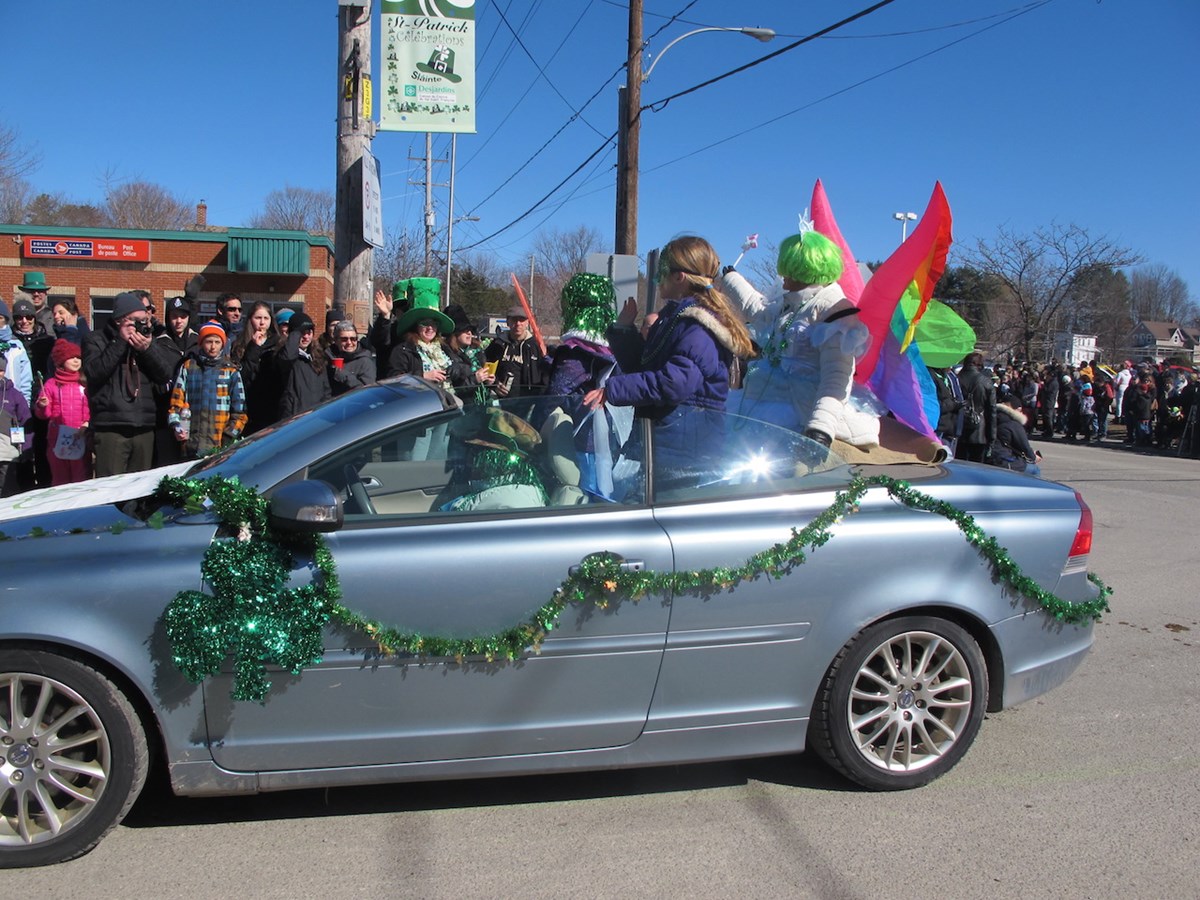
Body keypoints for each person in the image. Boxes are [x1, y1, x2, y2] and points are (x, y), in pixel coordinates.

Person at [585, 235, 753, 470]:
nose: (656, 278)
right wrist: (623, 330)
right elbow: (644, 367)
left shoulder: (698, 327)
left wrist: (612, 390)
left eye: (662, 270)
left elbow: (674, 383)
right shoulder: (673, 320)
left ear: (679, 276)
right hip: (664, 445)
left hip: (685, 458)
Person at [547, 273, 632, 500]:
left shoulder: (575, 352)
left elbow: (555, 394)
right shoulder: (617, 347)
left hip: (586, 441)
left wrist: (532, 429)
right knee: (608, 496)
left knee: (591, 499)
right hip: (616, 438)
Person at [82, 291, 180, 477]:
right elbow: (94, 373)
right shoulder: (96, 339)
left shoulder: (146, 342)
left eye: (144, 320)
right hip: (111, 426)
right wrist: (120, 341)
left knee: (139, 488)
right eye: (136, 320)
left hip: (144, 425)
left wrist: (147, 350)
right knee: (110, 487)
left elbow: (165, 375)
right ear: (120, 320)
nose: (142, 325)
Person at [168, 322, 248, 459]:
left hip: (219, 444)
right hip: (191, 443)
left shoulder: (231, 371)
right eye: (209, 341)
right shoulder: (189, 367)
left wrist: (229, 436)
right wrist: (176, 425)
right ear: (201, 343)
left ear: (223, 344)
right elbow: (176, 403)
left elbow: (240, 412)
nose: (213, 346)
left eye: (217, 342)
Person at [34, 340, 91, 485]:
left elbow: (90, 407)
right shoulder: (51, 384)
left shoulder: (84, 382)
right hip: (57, 437)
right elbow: (44, 415)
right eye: (71, 357)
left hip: (80, 435)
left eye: (78, 358)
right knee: (60, 477)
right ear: (61, 360)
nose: (76, 361)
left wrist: (87, 422)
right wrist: (42, 405)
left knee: (81, 476)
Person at [230, 301, 282, 433]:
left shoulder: (279, 343)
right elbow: (241, 376)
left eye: (266, 318)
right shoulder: (240, 344)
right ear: (250, 320)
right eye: (258, 318)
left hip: (272, 407)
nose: (262, 323)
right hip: (248, 406)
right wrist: (254, 347)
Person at [384, 293, 455, 384]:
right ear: (416, 326)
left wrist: (457, 369)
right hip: (420, 397)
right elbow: (393, 378)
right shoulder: (403, 350)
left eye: (434, 324)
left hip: (447, 396)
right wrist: (422, 376)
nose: (430, 328)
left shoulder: (444, 347)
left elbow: (464, 369)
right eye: (425, 323)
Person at [275, 311, 331, 420]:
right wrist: (295, 332)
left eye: (309, 332)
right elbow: (288, 357)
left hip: (316, 417)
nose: (306, 337)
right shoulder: (285, 355)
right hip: (293, 418)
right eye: (302, 333)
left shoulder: (318, 357)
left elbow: (326, 390)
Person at [484, 305, 549, 398]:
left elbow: (545, 376)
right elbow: (485, 368)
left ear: (528, 323)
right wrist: (494, 384)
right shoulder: (498, 344)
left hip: (529, 401)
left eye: (522, 320)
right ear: (507, 322)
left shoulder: (536, 346)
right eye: (514, 320)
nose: (518, 323)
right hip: (503, 401)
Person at [442, 304, 493, 405]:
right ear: (455, 334)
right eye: (465, 331)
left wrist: (490, 381)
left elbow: (485, 382)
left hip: (484, 405)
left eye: (470, 330)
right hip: (465, 408)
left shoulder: (478, 352)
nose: (469, 333)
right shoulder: (446, 354)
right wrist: (475, 380)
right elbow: (453, 389)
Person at [0, 352, 33, 496]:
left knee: (7, 486)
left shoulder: (14, 394)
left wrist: (26, 447)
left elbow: (26, 420)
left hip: (8, 450)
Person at [955, 352, 997, 462]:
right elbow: (992, 411)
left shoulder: (955, 379)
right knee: (977, 466)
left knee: (958, 465)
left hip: (958, 427)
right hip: (980, 430)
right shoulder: (986, 381)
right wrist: (992, 437)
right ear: (979, 364)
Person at [990, 395, 1042, 476]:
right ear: (1017, 409)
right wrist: (1034, 457)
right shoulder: (1013, 423)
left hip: (989, 457)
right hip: (1003, 460)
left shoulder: (992, 417)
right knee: (1035, 470)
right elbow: (1024, 446)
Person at [327, 320, 376, 397]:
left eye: (353, 339)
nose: (349, 343)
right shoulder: (327, 357)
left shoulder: (365, 361)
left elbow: (366, 393)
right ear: (336, 340)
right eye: (344, 339)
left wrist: (343, 375)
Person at [0, 300, 33, 406]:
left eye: (0, 318)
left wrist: (24, 406)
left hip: (12, 406)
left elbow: (25, 380)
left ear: (5, 320)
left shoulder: (16, 346)